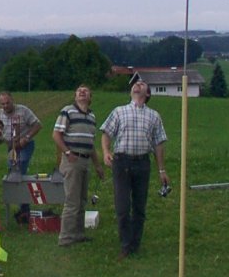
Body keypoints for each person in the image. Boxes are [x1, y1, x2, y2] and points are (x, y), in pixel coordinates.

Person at [100, 81, 170, 259]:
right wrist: (106, 151)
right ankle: (125, 245)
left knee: (139, 207)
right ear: (131, 91)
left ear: (147, 94)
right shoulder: (119, 111)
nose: (138, 84)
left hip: (142, 163)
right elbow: (106, 133)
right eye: (135, 84)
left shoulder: (154, 116)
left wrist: (162, 170)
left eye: (142, 84)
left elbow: (159, 144)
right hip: (122, 162)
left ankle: (135, 244)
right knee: (123, 206)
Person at [53, 85, 104, 247]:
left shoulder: (92, 117)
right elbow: (56, 135)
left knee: (82, 200)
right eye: (79, 91)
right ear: (75, 96)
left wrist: (97, 166)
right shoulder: (67, 111)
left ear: (90, 97)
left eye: (86, 91)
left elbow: (91, 143)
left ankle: (79, 233)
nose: (82, 92)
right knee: (72, 201)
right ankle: (66, 237)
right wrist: (67, 153)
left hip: (85, 160)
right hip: (72, 161)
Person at [0, 91, 42, 222]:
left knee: (19, 169)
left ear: (12, 100)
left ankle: (24, 209)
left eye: (7, 103)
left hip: (25, 145)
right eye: (2, 104)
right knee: (14, 173)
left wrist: (26, 138)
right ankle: (23, 207)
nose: (5, 106)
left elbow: (38, 125)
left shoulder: (23, 110)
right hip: (11, 146)